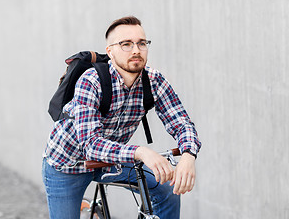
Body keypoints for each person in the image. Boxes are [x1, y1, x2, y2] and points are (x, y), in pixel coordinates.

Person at [42, 16, 201, 219]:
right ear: (110, 51)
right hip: (67, 164)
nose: (136, 50)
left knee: (167, 190)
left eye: (141, 43)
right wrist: (141, 152)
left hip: (111, 159)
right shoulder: (91, 81)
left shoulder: (153, 80)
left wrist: (188, 155)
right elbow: (91, 145)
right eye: (126, 44)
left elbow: (181, 122)